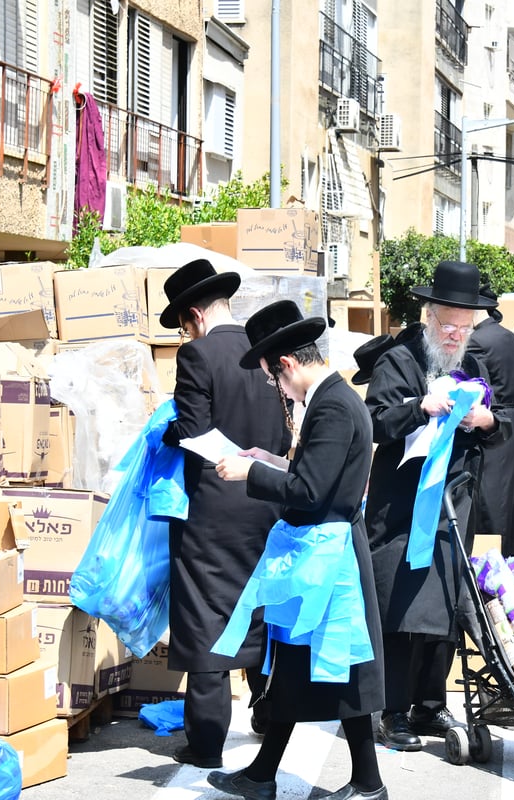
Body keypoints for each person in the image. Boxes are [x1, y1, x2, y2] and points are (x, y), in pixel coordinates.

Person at [208, 300, 387, 800]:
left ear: (287, 364)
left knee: (337, 666)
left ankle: (368, 784)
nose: (277, 389)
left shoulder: (331, 405)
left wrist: (251, 473)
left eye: (272, 379)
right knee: (299, 666)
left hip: (329, 556)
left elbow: (311, 492)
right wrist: (269, 459)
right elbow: (317, 478)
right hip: (322, 552)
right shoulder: (334, 399)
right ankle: (265, 775)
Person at [364, 260, 510, 752]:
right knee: (403, 611)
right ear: (428, 316)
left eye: (465, 327)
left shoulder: (474, 363)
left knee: (445, 610)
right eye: (447, 324)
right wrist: (419, 408)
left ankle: (429, 703)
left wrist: (485, 421)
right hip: (404, 509)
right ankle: (393, 710)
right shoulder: (398, 359)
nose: (455, 335)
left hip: (456, 505)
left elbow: (501, 423)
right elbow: (375, 421)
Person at [159, 260, 290, 770]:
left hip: (212, 511)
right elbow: (281, 434)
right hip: (266, 500)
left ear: (193, 315)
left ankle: (207, 743)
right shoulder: (264, 352)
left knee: (208, 618)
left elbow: (192, 434)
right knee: (259, 613)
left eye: (183, 324)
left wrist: (164, 434)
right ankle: (266, 713)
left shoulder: (197, 355)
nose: (185, 333)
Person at [465, 288, 514, 556]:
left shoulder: (476, 341)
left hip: (494, 425)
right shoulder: (510, 337)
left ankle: (492, 568)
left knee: (491, 503)